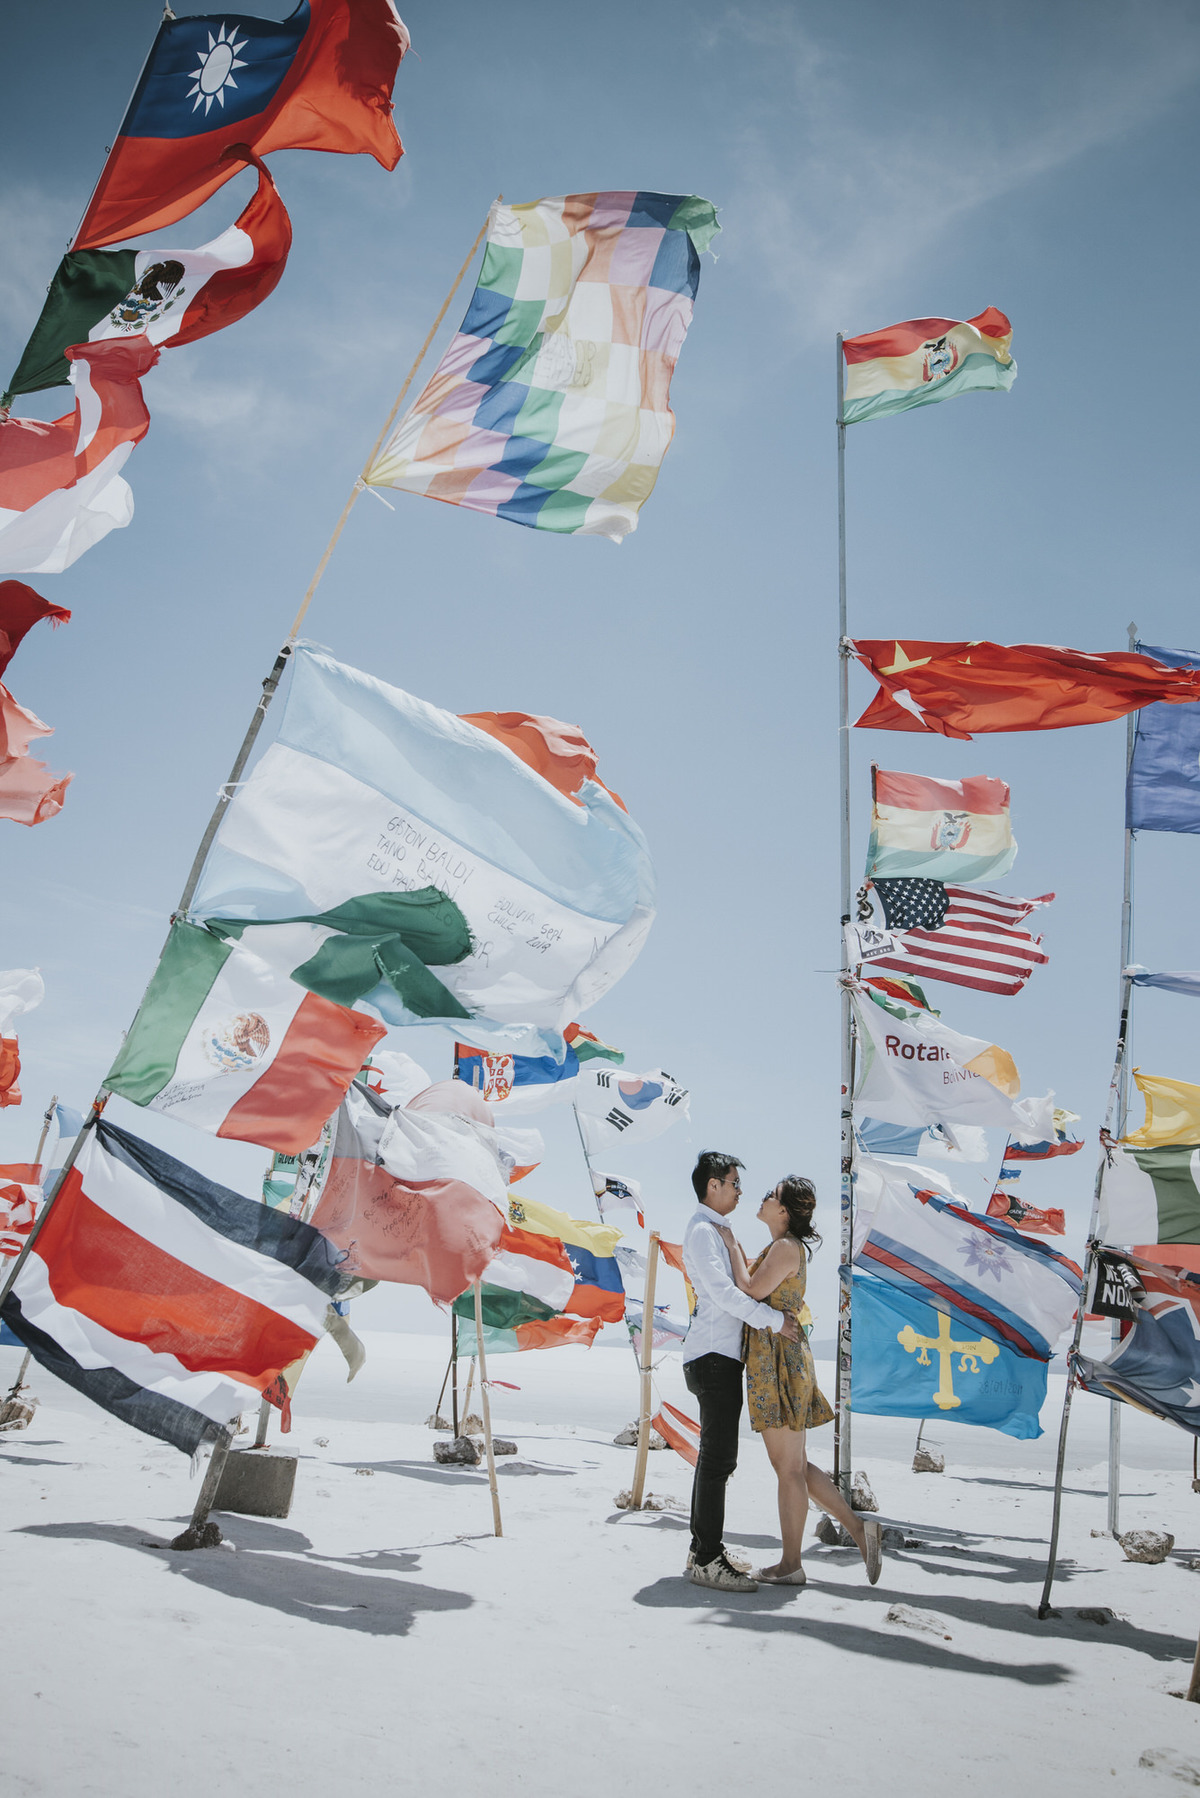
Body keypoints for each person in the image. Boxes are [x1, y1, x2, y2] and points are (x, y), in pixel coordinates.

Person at [720, 1175, 882, 1588]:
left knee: (788, 1468)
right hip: (776, 1359)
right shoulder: (783, 1247)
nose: (763, 1197)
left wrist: (731, 1243)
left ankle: (792, 1562)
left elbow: (750, 1288)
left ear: (785, 1211)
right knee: (795, 1466)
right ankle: (858, 1531)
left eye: (771, 1195)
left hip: (779, 1362)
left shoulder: (786, 1247)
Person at [681, 1151, 800, 1593]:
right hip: (712, 1355)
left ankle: (702, 1550)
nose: (739, 1189)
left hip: (722, 1355)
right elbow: (725, 1296)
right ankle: (707, 1558)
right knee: (717, 1459)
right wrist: (775, 1322)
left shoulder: (719, 1229)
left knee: (716, 1459)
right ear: (713, 1185)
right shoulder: (701, 1232)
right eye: (733, 1182)